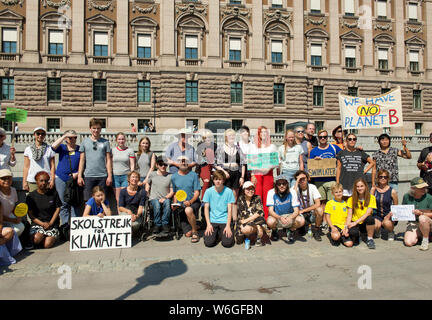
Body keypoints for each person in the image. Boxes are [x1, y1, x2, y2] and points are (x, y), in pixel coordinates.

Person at [51, 130, 81, 226]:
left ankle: (74, 226)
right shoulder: (62, 148)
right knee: (63, 203)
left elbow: (83, 163)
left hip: (73, 179)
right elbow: (53, 147)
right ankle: (65, 226)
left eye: (75, 137)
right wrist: (64, 137)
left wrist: (78, 173)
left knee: (74, 202)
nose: (73, 139)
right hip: (61, 178)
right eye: (70, 137)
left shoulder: (79, 149)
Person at [78, 118, 112, 202]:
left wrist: (109, 175)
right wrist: (79, 176)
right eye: (94, 128)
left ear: (101, 129)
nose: (96, 130)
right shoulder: (85, 142)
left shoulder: (105, 142)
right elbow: (82, 160)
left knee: (102, 200)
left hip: (102, 176)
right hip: (89, 176)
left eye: (98, 128)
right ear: (90, 128)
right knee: (88, 201)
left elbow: (108, 160)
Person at [26, 171, 62, 249]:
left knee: (47, 245)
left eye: (46, 181)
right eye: (41, 181)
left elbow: (58, 208)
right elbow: (31, 215)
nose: (44, 183)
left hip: (51, 223)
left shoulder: (54, 193)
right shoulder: (31, 196)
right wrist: (42, 224)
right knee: (36, 239)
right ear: (36, 181)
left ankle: (50, 237)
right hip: (38, 224)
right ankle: (38, 238)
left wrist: (51, 223)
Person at [250, 126, 278, 219]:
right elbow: (250, 162)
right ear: (258, 134)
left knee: (267, 195)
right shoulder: (253, 146)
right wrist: (252, 175)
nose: (263, 134)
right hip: (257, 174)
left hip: (268, 174)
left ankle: (266, 217)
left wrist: (268, 168)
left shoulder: (272, 146)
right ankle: (257, 217)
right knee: (257, 195)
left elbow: (276, 161)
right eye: (261, 132)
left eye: (265, 132)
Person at [171, 156, 201, 243]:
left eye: (185, 161)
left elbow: (197, 192)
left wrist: (190, 201)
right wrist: (175, 204)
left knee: (188, 210)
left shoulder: (194, 175)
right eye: (181, 161)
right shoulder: (174, 177)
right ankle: (197, 224)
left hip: (193, 203)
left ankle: (195, 232)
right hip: (181, 205)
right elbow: (176, 193)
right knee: (188, 234)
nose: (183, 163)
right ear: (178, 163)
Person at [266, 175, 304, 243]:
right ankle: (275, 231)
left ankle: (291, 231)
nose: (281, 186)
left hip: (290, 214)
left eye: (284, 183)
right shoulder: (271, 192)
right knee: (270, 221)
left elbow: (296, 210)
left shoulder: (292, 192)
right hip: (277, 216)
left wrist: (290, 217)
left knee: (301, 220)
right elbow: (270, 211)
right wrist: (280, 217)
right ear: (276, 185)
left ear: (287, 184)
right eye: (279, 184)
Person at [336, 133, 375, 198]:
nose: (352, 140)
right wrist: (337, 182)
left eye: (354, 139)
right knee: (345, 202)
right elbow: (339, 168)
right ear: (346, 141)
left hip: (358, 183)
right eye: (350, 139)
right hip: (345, 182)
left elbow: (372, 162)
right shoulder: (341, 153)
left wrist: (365, 171)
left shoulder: (360, 152)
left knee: (357, 203)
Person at [203, 170, 235, 248]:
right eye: (216, 179)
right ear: (213, 180)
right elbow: (206, 208)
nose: (218, 181)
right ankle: (217, 234)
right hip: (213, 220)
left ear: (223, 180)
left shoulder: (229, 191)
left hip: (224, 220)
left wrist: (228, 225)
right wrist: (208, 224)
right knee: (208, 243)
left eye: (220, 179)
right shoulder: (208, 191)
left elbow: (230, 210)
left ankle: (223, 233)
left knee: (227, 244)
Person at [309, 130, 342, 206]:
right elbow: (310, 167)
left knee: (332, 202)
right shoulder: (313, 151)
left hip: (331, 180)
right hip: (319, 181)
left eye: (325, 137)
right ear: (318, 138)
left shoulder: (334, 148)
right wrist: (315, 161)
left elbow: (345, 155)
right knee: (321, 203)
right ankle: (324, 218)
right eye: (321, 137)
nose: (323, 138)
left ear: (327, 138)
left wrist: (357, 149)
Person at [291, 170, 323, 241]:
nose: (302, 181)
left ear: (307, 179)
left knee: (320, 210)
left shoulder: (312, 187)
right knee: (301, 231)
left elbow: (318, 204)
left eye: (304, 179)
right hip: (299, 214)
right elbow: (292, 196)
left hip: (310, 213)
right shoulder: (295, 188)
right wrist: (297, 181)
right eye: (300, 179)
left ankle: (316, 230)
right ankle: (298, 228)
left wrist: (303, 210)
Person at [146, 156, 174, 235]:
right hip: (154, 198)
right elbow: (148, 184)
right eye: (161, 164)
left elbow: (172, 191)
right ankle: (157, 225)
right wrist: (147, 193)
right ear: (157, 165)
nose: (163, 166)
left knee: (167, 203)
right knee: (157, 205)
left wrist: (165, 197)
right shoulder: (152, 174)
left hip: (166, 197)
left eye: (165, 164)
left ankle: (165, 224)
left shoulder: (170, 176)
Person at [346, 178, 377, 249]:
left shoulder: (371, 198)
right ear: (355, 188)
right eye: (358, 186)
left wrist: (355, 222)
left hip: (364, 221)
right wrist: (347, 227)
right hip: (355, 221)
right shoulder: (351, 199)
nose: (360, 188)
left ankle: (370, 239)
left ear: (365, 186)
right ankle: (360, 235)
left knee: (370, 218)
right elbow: (349, 215)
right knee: (353, 234)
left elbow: (368, 213)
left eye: (362, 186)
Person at [215, 129, 246, 200]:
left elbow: (243, 163)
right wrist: (223, 172)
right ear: (226, 137)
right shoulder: (220, 148)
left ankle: (233, 211)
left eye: (233, 135)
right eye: (230, 135)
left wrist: (242, 177)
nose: (232, 137)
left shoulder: (238, 148)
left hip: (236, 174)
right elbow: (216, 163)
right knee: (225, 197)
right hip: (225, 174)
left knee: (234, 198)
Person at [403, 177, 432, 251]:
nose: (423, 189)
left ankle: (425, 240)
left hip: (428, 222)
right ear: (413, 188)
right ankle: (421, 234)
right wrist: (395, 214)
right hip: (414, 223)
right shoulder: (407, 197)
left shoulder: (429, 197)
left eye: (424, 187)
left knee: (422, 218)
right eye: (420, 187)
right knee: (408, 242)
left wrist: (421, 213)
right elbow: (403, 211)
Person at [23, 127, 56, 192]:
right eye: (38, 133)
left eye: (42, 134)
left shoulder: (49, 149)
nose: (40, 135)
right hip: (32, 180)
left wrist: (52, 180)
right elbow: (26, 167)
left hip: (46, 181)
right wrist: (24, 181)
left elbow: (52, 167)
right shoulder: (28, 149)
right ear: (34, 135)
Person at [235, 181, 267, 246]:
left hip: (253, 221)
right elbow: (242, 216)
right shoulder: (240, 199)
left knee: (260, 222)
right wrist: (249, 221)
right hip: (245, 222)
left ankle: (258, 233)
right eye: (248, 189)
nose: (250, 191)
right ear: (244, 190)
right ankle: (255, 231)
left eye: (252, 189)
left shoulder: (257, 198)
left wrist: (247, 220)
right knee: (239, 241)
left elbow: (260, 212)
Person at [112, 132, 136, 211]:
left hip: (125, 176)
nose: (121, 141)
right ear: (116, 140)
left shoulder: (130, 150)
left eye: (122, 139)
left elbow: (132, 165)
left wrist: (131, 177)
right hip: (115, 176)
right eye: (119, 139)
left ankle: (126, 214)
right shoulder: (113, 150)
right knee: (117, 199)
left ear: (125, 140)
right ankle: (119, 216)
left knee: (125, 198)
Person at [324, 183, 353, 247]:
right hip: (334, 226)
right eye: (336, 192)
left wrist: (345, 228)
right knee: (335, 236)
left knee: (349, 244)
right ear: (332, 193)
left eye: (340, 191)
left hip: (343, 226)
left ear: (342, 192)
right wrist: (332, 227)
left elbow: (347, 217)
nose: (338, 193)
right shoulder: (329, 203)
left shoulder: (345, 204)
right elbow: (327, 217)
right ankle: (335, 236)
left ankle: (341, 236)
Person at [118, 171, 146, 236]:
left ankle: (132, 232)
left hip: (136, 212)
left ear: (138, 179)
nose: (134, 179)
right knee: (125, 220)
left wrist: (137, 216)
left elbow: (141, 207)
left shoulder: (142, 192)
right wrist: (128, 212)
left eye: (136, 177)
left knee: (134, 224)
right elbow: (120, 207)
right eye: (132, 177)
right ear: (129, 179)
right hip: (126, 211)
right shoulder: (123, 191)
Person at [373, 169, 398, 241]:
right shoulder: (374, 190)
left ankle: (390, 231)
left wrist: (390, 215)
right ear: (377, 178)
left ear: (388, 179)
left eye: (385, 177)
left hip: (388, 215)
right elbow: (370, 203)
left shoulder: (392, 191)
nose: (383, 178)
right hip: (377, 215)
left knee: (387, 224)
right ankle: (377, 230)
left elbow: (396, 207)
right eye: (381, 177)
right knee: (374, 224)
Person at [0, 169, 25, 238]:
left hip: (9, 216)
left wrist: (18, 216)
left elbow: (14, 207)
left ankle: (8, 241)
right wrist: (12, 220)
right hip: (1, 219)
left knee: (20, 227)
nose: (7, 180)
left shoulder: (13, 190)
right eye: (3, 178)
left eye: (9, 178)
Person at [195, 129, 217, 200]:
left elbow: (217, 157)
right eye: (206, 137)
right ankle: (204, 199)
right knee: (207, 181)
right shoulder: (200, 146)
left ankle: (214, 198)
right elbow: (198, 160)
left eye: (210, 137)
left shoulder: (214, 145)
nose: (208, 139)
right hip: (204, 166)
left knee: (218, 180)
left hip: (213, 166)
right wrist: (197, 172)